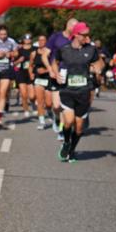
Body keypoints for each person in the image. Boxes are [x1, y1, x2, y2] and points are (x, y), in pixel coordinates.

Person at [51, 21, 103, 162]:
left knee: (79, 127)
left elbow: (99, 62)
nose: (87, 37)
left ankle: (72, 150)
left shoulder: (91, 50)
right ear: (76, 34)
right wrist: (56, 74)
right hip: (67, 90)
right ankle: (66, 143)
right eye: (84, 34)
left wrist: (98, 68)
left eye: (88, 34)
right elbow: (54, 62)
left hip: (84, 91)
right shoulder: (64, 49)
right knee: (68, 122)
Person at [46, 17, 78, 137]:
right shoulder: (56, 37)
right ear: (68, 26)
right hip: (56, 73)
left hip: (71, 75)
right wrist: (50, 70)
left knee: (66, 105)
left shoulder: (77, 39)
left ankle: (62, 130)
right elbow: (45, 55)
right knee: (56, 106)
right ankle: (57, 118)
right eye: (74, 28)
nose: (76, 30)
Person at [30, 34, 53, 129]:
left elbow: (55, 65)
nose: (41, 42)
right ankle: (42, 121)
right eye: (39, 40)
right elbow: (30, 65)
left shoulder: (50, 52)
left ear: (46, 41)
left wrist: (46, 70)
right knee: (40, 101)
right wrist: (31, 74)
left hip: (49, 78)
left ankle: (51, 113)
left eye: (43, 40)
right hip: (38, 79)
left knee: (49, 103)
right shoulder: (34, 53)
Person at [14, 33, 35, 119]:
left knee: (32, 96)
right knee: (23, 94)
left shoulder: (35, 49)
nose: (27, 40)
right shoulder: (19, 50)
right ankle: (26, 110)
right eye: (25, 39)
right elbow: (14, 63)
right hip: (22, 73)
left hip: (31, 73)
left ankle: (33, 104)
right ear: (23, 40)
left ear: (31, 40)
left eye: (29, 38)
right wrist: (19, 60)